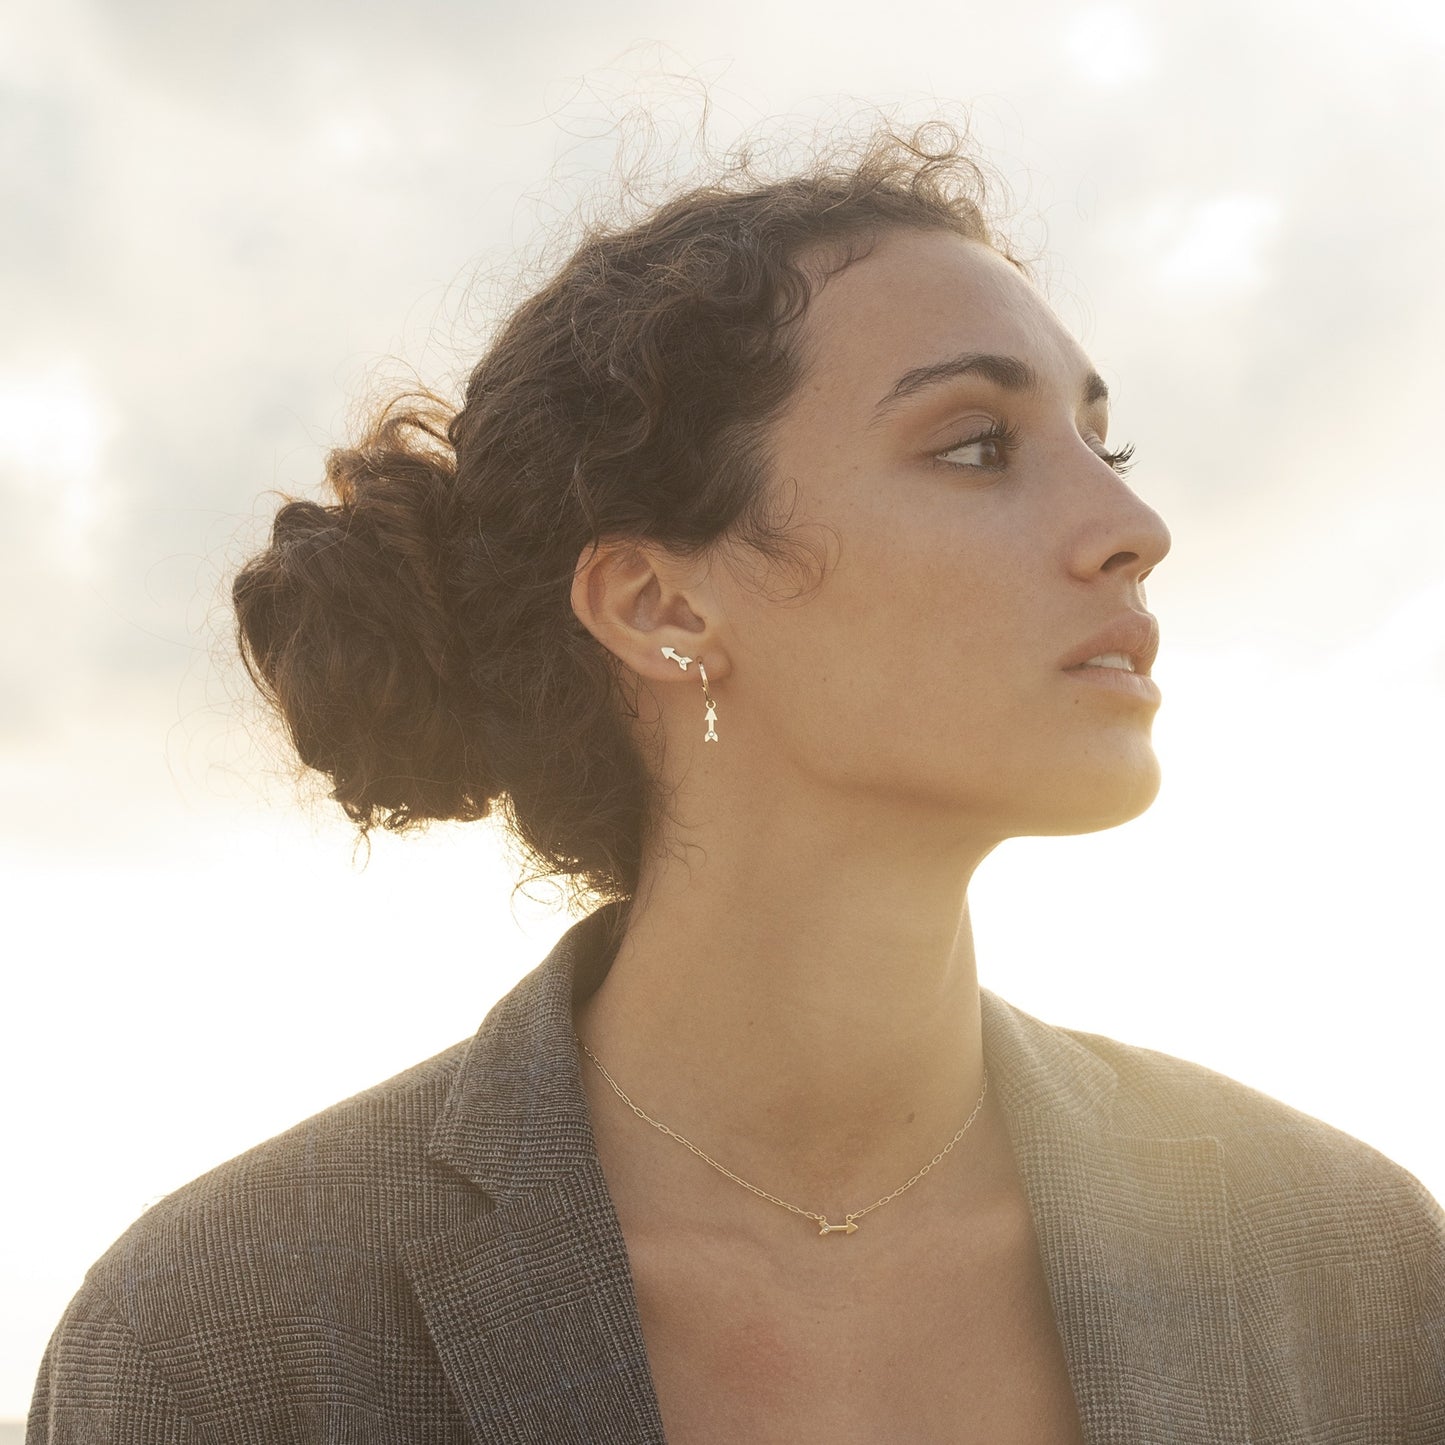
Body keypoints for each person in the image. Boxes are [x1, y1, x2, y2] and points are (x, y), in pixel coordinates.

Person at [28, 122, 1445, 1444]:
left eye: (1102, 441)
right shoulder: (225, 1343)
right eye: (974, 445)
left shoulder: (1347, 1266)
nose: (1132, 528)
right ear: (661, 604)